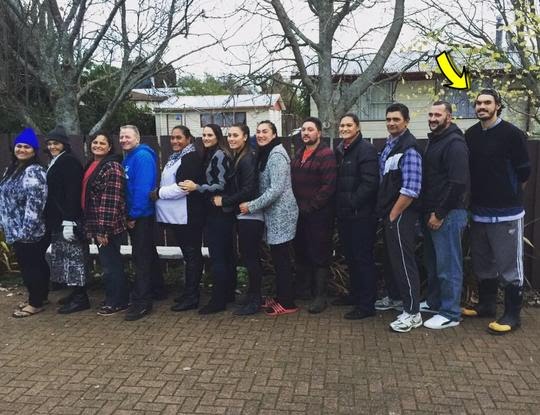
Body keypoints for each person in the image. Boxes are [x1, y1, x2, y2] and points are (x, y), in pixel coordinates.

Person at [463, 89, 530, 335]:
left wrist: (509, 195)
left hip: (506, 214)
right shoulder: (471, 135)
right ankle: (487, 305)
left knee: (510, 267)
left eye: (487, 103)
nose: (482, 107)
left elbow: (524, 172)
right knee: (483, 264)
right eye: (478, 103)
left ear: (497, 106)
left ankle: (512, 315)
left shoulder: (512, 134)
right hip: (478, 212)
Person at [239, 120, 299, 316]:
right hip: (273, 214)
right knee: (278, 257)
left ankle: (287, 303)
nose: (261, 135)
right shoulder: (267, 153)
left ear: (274, 134)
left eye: (265, 131)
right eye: (258, 132)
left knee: (282, 259)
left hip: (282, 213)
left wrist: (251, 205)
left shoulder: (277, 155)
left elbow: (276, 190)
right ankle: (282, 296)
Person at [421, 101, 470, 329]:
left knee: (448, 266)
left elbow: (458, 183)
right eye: (430, 114)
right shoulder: (436, 141)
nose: (433, 118)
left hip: (448, 214)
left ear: (448, 118)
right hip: (432, 212)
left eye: (438, 115)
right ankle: (435, 303)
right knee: (433, 264)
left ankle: (450, 313)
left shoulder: (455, 144)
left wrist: (439, 213)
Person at [376, 103, 423, 333]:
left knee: (404, 263)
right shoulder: (390, 145)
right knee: (392, 261)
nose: (391, 123)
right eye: (388, 119)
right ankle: (396, 299)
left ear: (406, 121)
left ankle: (413, 313)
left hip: (402, 214)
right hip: (390, 213)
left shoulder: (409, 149)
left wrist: (394, 215)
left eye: (396, 119)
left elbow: (411, 189)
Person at [180, 124, 235, 314]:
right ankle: (227, 294)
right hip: (216, 212)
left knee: (218, 256)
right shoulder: (210, 154)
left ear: (217, 136)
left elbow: (221, 185)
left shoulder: (219, 154)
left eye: (210, 135)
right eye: (203, 135)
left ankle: (218, 301)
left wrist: (197, 187)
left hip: (219, 212)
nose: (206, 138)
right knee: (225, 255)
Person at [152, 125, 205, 312]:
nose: (175, 141)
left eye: (179, 138)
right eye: (172, 138)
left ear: (188, 139)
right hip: (178, 217)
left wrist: (159, 193)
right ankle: (188, 292)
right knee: (189, 256)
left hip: (188, 216)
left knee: (192, 256)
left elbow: (183, 187)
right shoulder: (176, 157)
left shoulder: (190, 158)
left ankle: (192, 297)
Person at [213, 123, 264, 315]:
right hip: (243, 214)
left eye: (235, 135)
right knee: (247, 256)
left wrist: (225, 201)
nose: (231, 139)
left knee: (251, 258)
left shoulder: (247, 158)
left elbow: (248, 189)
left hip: (251, 215)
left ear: (245, 137)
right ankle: (252, 295)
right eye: (229, 135)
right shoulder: (239, 156)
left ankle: (255, 300)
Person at [333, 113, 380, 319]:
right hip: (345, 215)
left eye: (348, 125)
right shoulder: (341, 150)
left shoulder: (366, 149)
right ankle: (355, 295)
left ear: (358, 127)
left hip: (362, 215)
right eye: (342, 125)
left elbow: (370, 183)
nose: (344, 128)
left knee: (363, 259)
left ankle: (366, 305)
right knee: (351, 258)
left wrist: (352, 203)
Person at [0, 128, 49, 317]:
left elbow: (36, 204)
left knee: (31, 267)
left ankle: (35, 303)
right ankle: (40, 296)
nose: (22, 149)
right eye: (19, 146)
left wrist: (26, 231)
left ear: (34, 151)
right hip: (14, 229)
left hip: (29, 231)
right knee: (34, 264)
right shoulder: (11, 169)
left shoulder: (34, 171)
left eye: (27, 147)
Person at [290, 116, 337, 314]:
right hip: (299, 213)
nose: (306, 133)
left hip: (319, 215)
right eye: (303, 130)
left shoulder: (326, 155)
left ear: (319, 132)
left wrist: (311, 206)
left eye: (310, 129)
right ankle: (304, 290)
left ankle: (320, 297)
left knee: (319, 254)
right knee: (301, 251)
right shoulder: (299, 154)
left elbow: (328, 186)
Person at [120, 124, 165, 321]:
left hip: (141, 215)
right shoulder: (129, 156)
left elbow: (143, 189)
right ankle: (157, 289)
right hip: (136, 214)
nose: (124, 140)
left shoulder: (142, 157)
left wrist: (133, 216)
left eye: (128, 137)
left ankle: (142, 302)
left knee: (141, 258)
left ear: (137, 138)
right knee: (148, 253)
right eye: (122, 137)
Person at [82, 132, 130, 316]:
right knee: (107, 263)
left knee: (111, 265)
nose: (98, 145)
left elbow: (111, 201)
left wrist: (104, 230)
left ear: (110, 147)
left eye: (103, 143)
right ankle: (114, 296)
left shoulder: (112, 167)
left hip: (108, 226)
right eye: (95, 142)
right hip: (96, 224)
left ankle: (118, 301)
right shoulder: (92, 164)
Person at [44, 125, 89, 314]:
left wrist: (69, 221)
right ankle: (75, 291)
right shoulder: (56, 160)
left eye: (56, 143)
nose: (52, 147)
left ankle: (81, 298)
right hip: (58, 219)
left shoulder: (69, 161)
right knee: (65, 258)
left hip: (68, 219)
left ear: (64, 144)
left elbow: (73, 192)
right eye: (50, 144)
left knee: (75, 258)